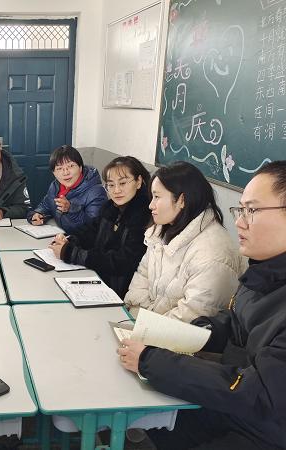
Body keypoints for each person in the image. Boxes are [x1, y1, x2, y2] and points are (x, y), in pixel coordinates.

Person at [119, 161, 286, 450]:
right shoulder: (263, 271)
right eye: (240, 209)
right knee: (147, 420)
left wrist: (151, 361)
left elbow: (258, 393)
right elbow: (234, 324)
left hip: (264, 428)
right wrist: (190, 332)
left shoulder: (215, 251)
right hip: (234, 408)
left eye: (252, 210)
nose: (240, 222)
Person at [124, 161, 242, 323]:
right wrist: (138, 317)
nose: (151, 205)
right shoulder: (160, 231)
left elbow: (191, 316)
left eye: (157, 197)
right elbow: (142, 277)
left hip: (173, 335)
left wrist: (144, 325)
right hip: (148, 327)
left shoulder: (213, 253)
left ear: (182, 200)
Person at [49, 156, 151, 298]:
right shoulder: (110, 208)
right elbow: (89, 232)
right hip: (99, 280)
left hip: (120, 293)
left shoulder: (145, 216)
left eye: (122, 183)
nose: (116, 190)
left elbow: (122, 262)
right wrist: (68, 240)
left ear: (138, 181)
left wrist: (71, 253)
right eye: (111, 185)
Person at [27, 145, 107, 233]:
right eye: (59, 168)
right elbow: (45, 206)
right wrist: (36, 215)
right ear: (54, 173)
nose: (66, 172)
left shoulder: (96, 192)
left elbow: (92, 229)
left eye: (71, 166)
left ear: (80, 168)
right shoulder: (55, 186)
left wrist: (70, 209)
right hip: (59, 235)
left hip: (79, 240)